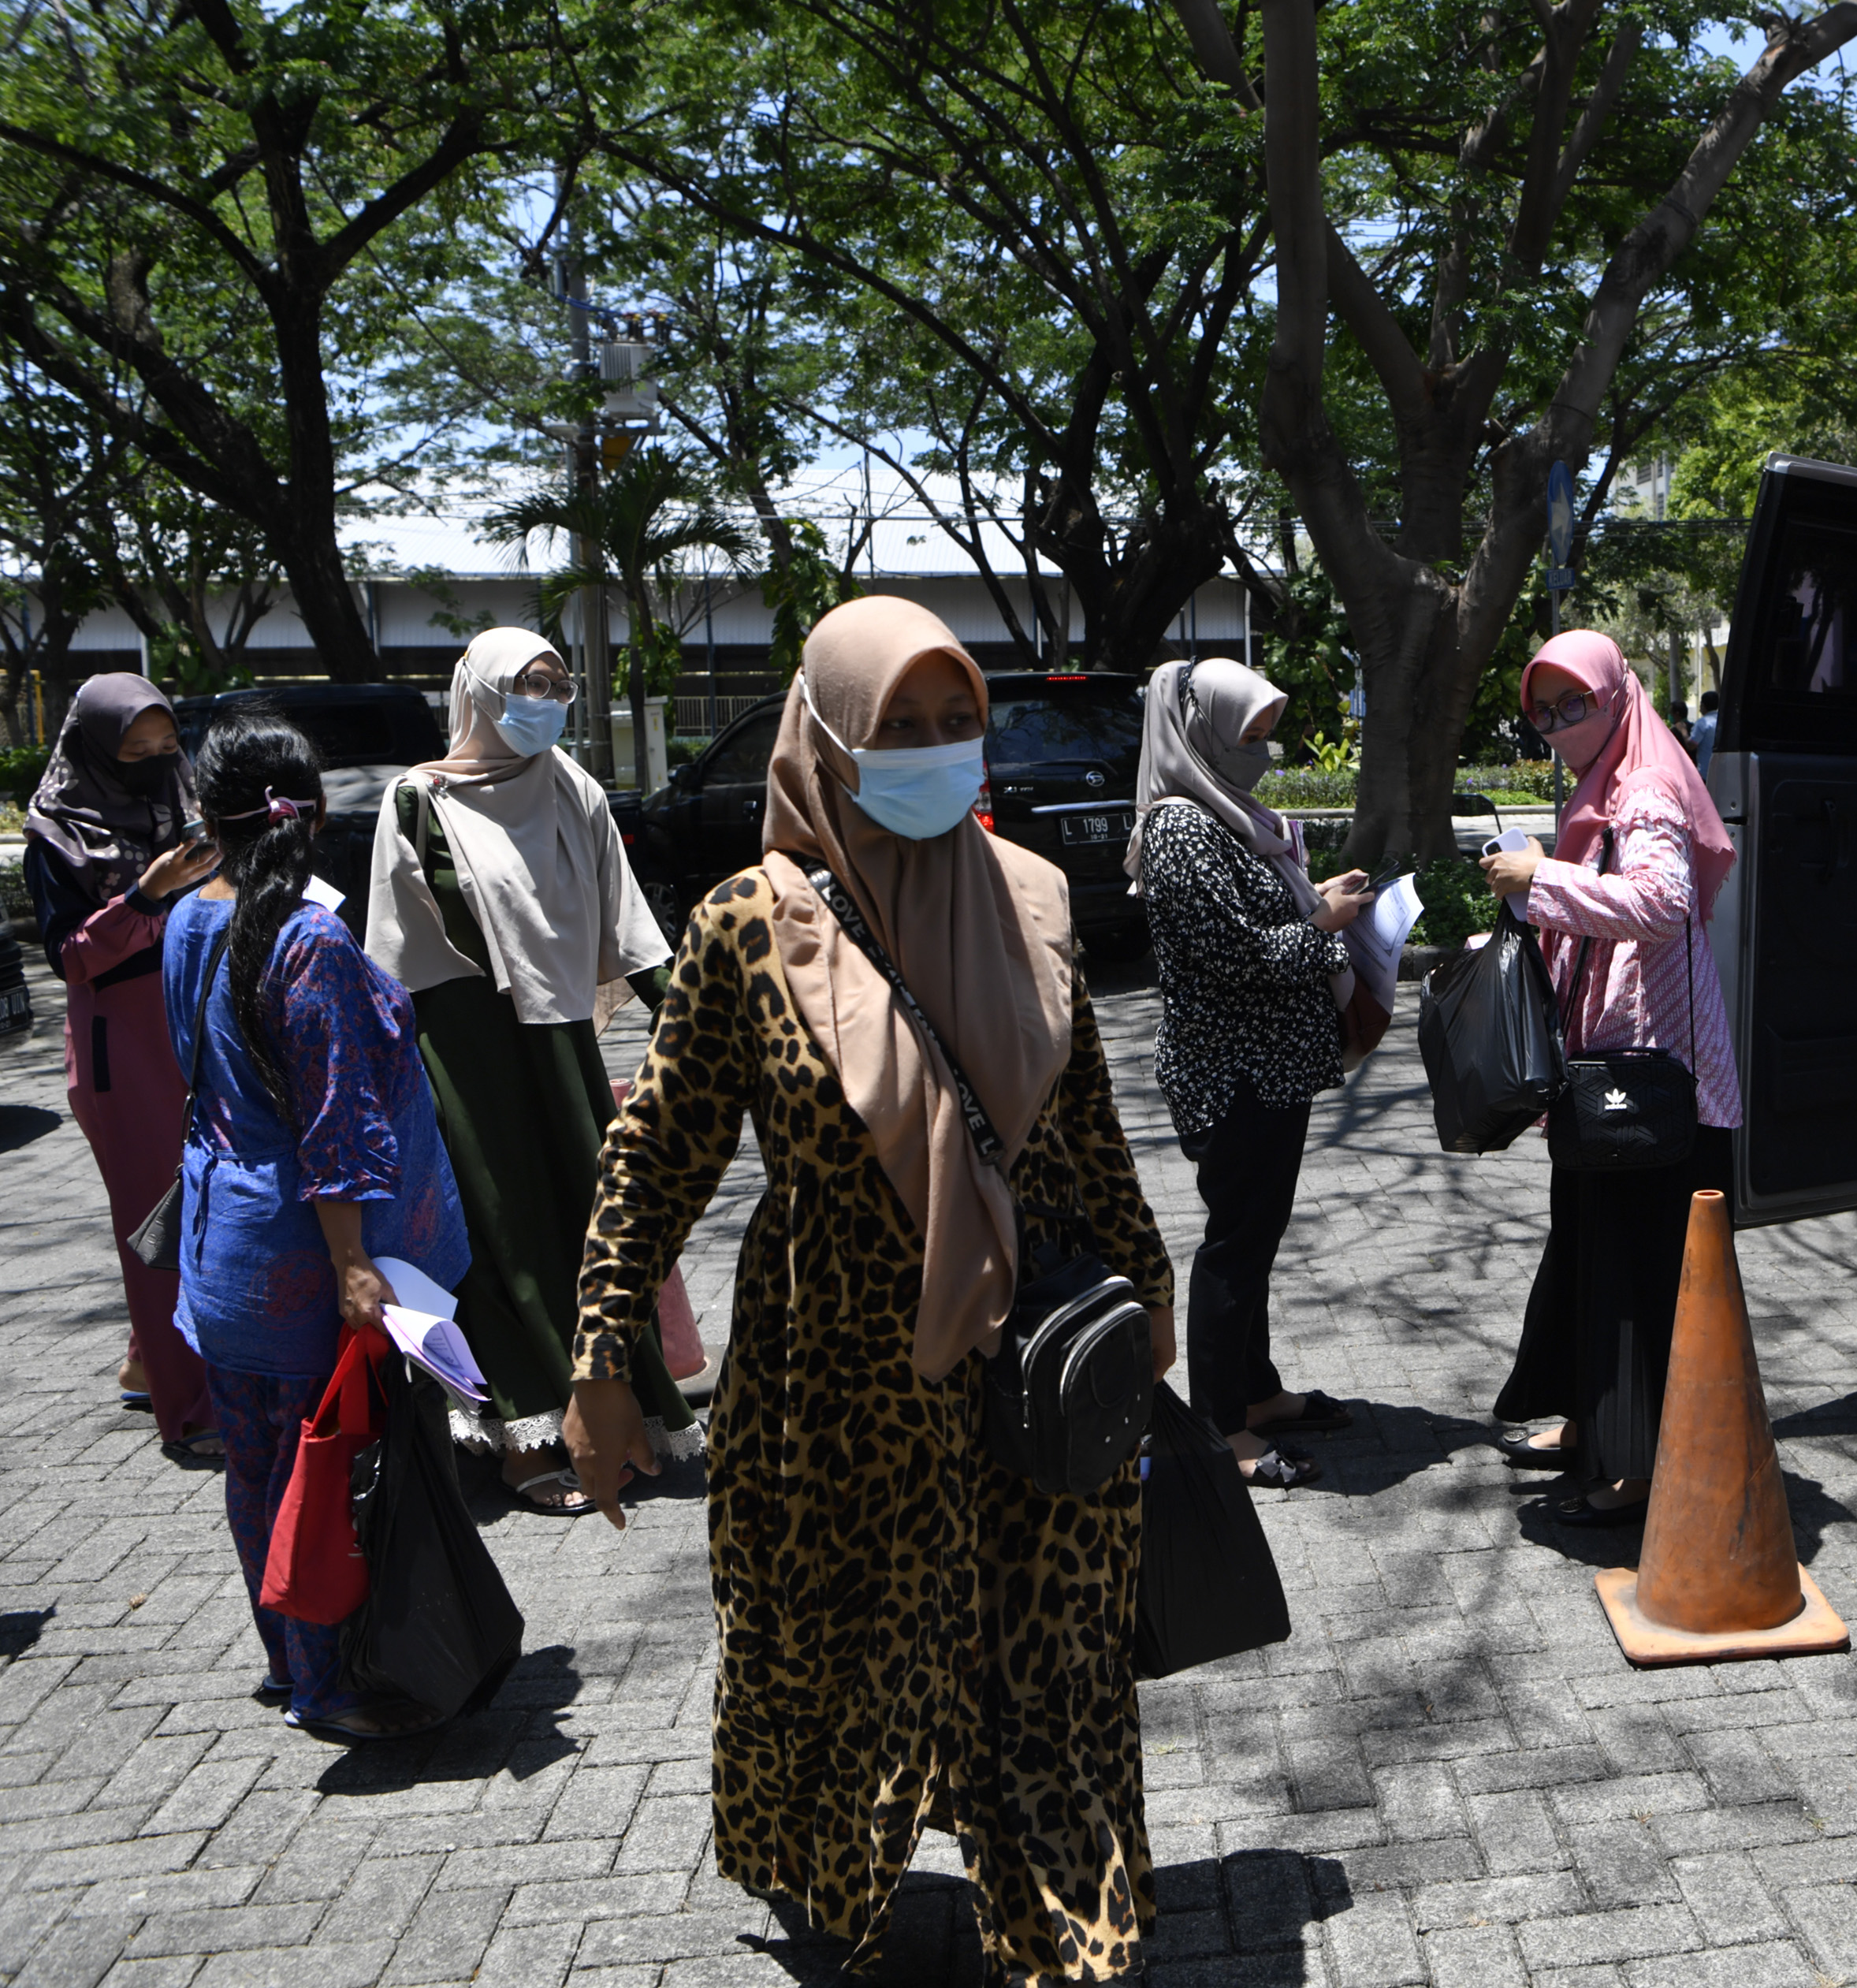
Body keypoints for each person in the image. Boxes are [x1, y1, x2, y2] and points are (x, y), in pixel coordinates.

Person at [560, 598, 1174, 1985]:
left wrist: (1148, 1294)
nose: (938, 751)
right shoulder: (744, 929)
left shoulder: (1033, 896)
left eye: (958, 722)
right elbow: (658, 1142)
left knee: (1049, 1666)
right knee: (834, 1660)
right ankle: (843, 1881)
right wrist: (603, 1349)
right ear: (829, 738)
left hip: (1030, 1359)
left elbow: (1086, 1129)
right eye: (900, 728)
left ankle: (1065, 1918)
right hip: (831, 1384)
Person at [166, 709, 472, 1740]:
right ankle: (326, 1682)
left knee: (255, 1464)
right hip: (301, 1255)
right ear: (312, 805)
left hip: (218, 1248)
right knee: (326, 1468)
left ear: (207, 815)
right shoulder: (311, 938)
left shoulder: (186, 919)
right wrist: (354, 1265)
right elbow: (335, 1117)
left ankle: (280, 1653)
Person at [365, 628, 695, 1511]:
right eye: (527, 682)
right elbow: (392, 955)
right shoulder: (417, 800)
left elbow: (632, 924)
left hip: (559, 1045)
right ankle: (523, 1438)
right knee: (502, 1234)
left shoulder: (572, 787)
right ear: (477, 691)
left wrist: (697, 1026)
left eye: (556, 683)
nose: (545, 699)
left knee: (591, 1226)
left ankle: (621, 1413)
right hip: (465, 1052)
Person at [1485, 631, 1740, 1528]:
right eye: (1542, 710)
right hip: (1610, 1071)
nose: (1557, 726)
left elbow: (1662, 904)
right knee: (1592, 1253)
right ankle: (1592, 1428)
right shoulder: (1606, 783)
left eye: (1573, 705)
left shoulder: (1646, 786)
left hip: (1657, 1082)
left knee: (1636, 1274)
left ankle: (1633, 1469)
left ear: (1616, 695)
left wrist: (1540, 875)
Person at [1127, 655, 1372, 1490]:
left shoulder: (1221, 816)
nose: (1262, 754)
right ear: (1199, 734)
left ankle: (1255, 1391)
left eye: (1267, 736)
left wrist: (1316, 901)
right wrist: (1325, 923)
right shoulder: (1181, 829)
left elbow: (1259, 921)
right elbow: (1237, 957)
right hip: (1232, 1075)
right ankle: (1222, 1424)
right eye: (1249, 737)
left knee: (1255, 1238)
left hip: (1263, 1071)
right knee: (1234, 1246)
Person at [20, 675, 225, 1459]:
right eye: (134, 752)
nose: (153, 763)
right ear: (97, 751)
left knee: (212, 1208)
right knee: (159, 1230)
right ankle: (192, 1408)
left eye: (165, 747)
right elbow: (69, 957)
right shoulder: (57, 834)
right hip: (122, 1047)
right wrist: (146, 894)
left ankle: (149, 1362)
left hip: (197, 1027)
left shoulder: (184, 806)